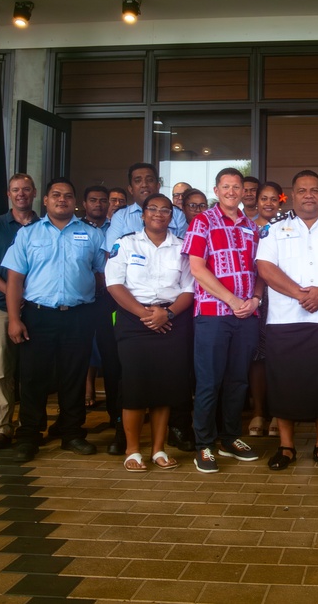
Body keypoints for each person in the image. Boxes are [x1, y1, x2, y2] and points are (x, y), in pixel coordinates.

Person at [3, 178, 106, 463]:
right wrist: (14, 319)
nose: (63, 199)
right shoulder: (28, 235)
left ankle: (72, 433)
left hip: (79, 315)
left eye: (68, 196)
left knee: (73, 376)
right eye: (56, 195)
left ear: (76, 202)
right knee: (34, 378)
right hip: (38, 315)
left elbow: (101, 275)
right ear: (45, 200)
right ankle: (29, 436)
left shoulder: (92, 234)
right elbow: (14, 280)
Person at [257, 171, 318, 471]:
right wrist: (300, 294)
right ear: (292, 194)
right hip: (284, 319)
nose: (308, 194)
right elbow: (265, 267)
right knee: (284, 383)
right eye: (302, 190)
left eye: (314, 190)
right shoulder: (274, 228)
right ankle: (286, 447)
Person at [106, 194, 195, 472]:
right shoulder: (126, 243)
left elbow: (189, 289)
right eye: (153, 209)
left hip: (171, 320)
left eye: (165, 210)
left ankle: (158, 449)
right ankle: (133, 450)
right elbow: (114, 284)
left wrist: (166, 314)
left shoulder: (182, 247)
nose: (159, 214)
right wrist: (145, 314)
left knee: (165, 387)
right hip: (135, 321)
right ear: (143, 214)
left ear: (172, 216)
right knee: (135, 385)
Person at [183, 168, 263, 473]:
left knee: (238, 381)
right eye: (226, 186)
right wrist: (231, 300)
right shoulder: (203, 221)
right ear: (217, 190)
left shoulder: (251, 228)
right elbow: (197, 268)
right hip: (213, 315)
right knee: (208, 382)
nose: (232, 191)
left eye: (237, 187)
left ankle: (230, 438)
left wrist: (255, 299)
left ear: (244, 192)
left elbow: (260, 271)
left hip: (247, 315)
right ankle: (204, 444)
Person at [0, 173, 39, 449]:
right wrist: (12, 292)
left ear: (35, 192)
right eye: (16, 190)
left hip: (37, 308)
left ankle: (33, 425)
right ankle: (1, 427)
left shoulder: (44, 225)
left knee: (35, 372)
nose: (21, 194)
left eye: (26, 189)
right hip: (1, 307)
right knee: (2, 370)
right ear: (8, 194)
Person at [248, 181, 283, 438]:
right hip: (253, 298)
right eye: (264, 198)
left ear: (281, 202)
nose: (269, 203)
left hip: (282, 296)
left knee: (280, 355)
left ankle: (280, 413)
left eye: (274, 199)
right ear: (256, 201)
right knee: (257, 356)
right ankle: (259, 412)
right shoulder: (246, 228)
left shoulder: (286, 228)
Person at [81, 186, 113, 411]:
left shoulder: (116, 226)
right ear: (84, 204)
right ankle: (86, 387)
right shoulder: (76, 227)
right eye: (93, 200)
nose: (98, 204)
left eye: (103, 201)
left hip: (110, 297)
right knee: (83, 345)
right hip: (84, 298)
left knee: (110, 348)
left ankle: (115, 406)